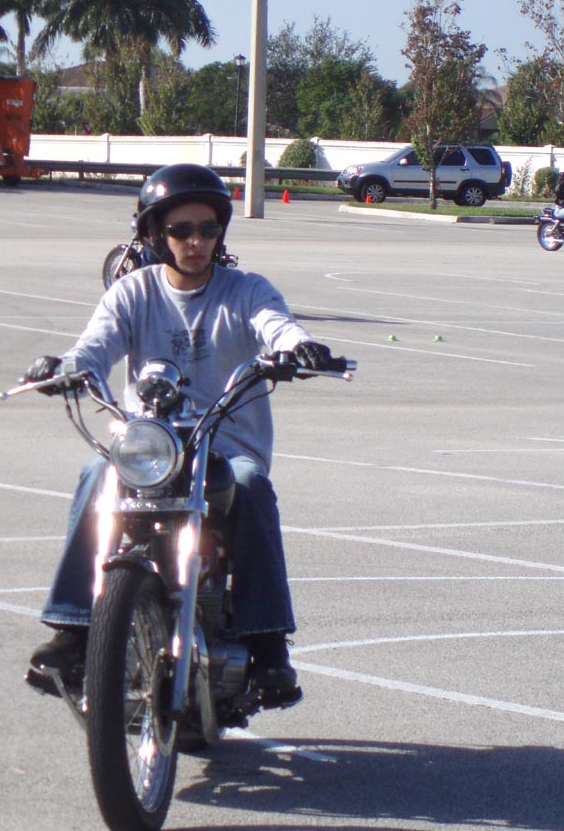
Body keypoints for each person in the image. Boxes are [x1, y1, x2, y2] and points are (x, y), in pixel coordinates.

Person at [21, 163, 342, 708]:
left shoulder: (246, 290)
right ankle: (73, 631)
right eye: (181, 230)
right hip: (152, 446)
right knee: (95, 474)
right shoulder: (133, 293)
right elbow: (95, 346)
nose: (196, 242)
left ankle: (268, 645)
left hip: (226, 447)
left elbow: (276, 324)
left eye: (208, 229)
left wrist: (297, 348)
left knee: (251, 486)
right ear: (154, 234)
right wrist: (66, 367)